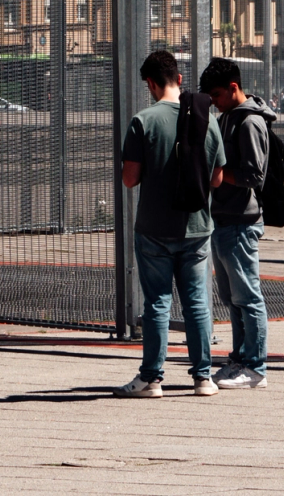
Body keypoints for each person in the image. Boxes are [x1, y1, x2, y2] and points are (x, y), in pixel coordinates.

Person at [116, 48, 225, 398]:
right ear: (179, 78)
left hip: (154, 228)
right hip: (197, 226)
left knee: (158, 303)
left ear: (150, 83)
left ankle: (151, 379)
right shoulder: (207, 119)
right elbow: (218, 178)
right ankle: (203, 378)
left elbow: (130, 179)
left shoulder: (143, 121)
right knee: (197, 303)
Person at [199, 55, 271, 389]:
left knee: (247, 297)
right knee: (234, 298)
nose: (214, 102)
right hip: (226, 219)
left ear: (232, 87)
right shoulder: (228, 117)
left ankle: (255, 367)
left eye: (216, 95)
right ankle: (241, 360)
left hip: (241, 220)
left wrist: (218, 173)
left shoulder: (249, 122)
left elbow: (255, 175)